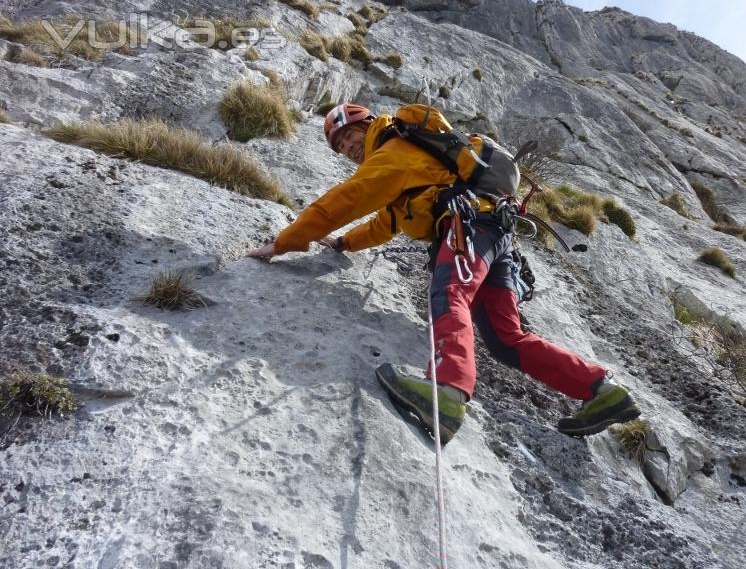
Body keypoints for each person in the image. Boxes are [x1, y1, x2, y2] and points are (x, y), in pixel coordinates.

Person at [247, 102, 640, 444]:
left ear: (368, 125)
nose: (350, 149)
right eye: (342, 147)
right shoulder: (410, 163)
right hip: (493, 232)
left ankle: (447, 392)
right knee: (506, 339)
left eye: (351, 137)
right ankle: (601, 390)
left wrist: (284, 242)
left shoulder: (391, 152)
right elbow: (388, 221)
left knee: (449, 293)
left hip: (465, 229)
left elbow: (344, 200)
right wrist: (346, 244)